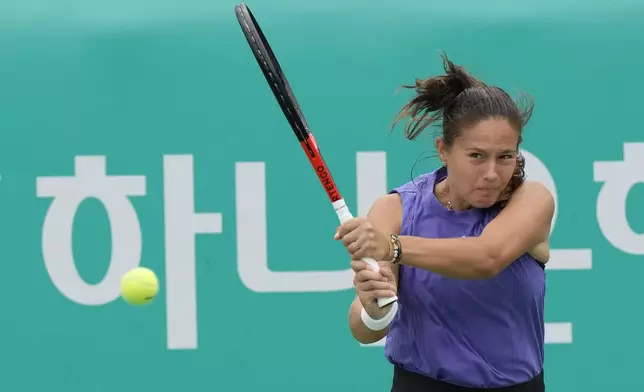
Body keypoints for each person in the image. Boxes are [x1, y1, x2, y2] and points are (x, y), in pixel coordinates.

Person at [336, 53, 554, 391]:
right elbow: (366, 329)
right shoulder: (394, 209)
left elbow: (487, 257)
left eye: (506, 156)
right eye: (477, 156)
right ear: (443, 149)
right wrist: (373, 309)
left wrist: (392, 247)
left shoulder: (532, 200)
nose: (493, 173)